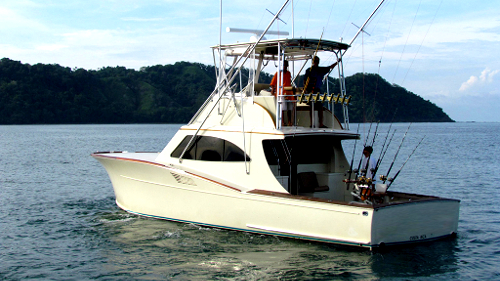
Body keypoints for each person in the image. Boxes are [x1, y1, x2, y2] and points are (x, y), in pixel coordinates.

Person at [303, 56, 340, 128]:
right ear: (313, 62)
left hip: (317, 90)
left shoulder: (320, 70)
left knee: (320, 106)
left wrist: (337, 62)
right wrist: (305, 89)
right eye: (315, 61)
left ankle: (321, 124)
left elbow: (330, 67)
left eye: (317, 61)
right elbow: (305, 81)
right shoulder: (309, 70)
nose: (316, 62)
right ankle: (312, 123)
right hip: (310, 91)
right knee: (311, 107)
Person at [270, 60, 295, 126]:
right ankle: (282, 122)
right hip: (281, 92)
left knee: (289, 108)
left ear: (287, 66)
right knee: (283, 108)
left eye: (286, 65)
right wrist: (273, 90)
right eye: (283, 65)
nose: (284, 66)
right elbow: (273, 83)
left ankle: (290, 122)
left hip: (289, 92)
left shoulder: (288, 73)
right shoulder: (278, 73)